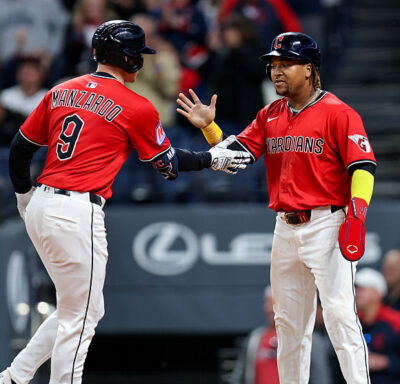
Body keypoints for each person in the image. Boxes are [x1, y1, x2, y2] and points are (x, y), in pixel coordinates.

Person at [1, 20, 251, 384]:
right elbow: (166, 165)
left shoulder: (61, 90)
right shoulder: (136, 105)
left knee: (82, 307)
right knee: (80, 318)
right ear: (130, 59)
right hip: (77, 211)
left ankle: (14, 377)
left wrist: (25, 200)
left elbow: (19, 151)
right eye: (139, 56)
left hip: (42, 203)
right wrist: (211, 158)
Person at [177, 32, 377, 383]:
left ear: (310, 70)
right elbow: (238, 156)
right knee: (287, 326)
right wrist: (210, 130)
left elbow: (362, 167)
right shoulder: (270, 114)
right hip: (285, 227)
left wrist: (357, 216)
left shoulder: (338, 112)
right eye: (273, 64)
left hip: (327, 223)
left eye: (286, 64)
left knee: (340, 317)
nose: (277, 71)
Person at [355, 268, 400, 383]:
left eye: (362, 288)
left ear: (378, 293)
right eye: (355, 288)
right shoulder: (352, 323)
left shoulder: (395, 322)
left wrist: (386, 362)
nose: (357, 292)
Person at [0, 57, 47, 146]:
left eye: (32, 72)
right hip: (8, 144)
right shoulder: (6, 96)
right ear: (18, 74)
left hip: (37, 145)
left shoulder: (47, 96)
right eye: (25, 72)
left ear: (41, 75)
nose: (28, 76)